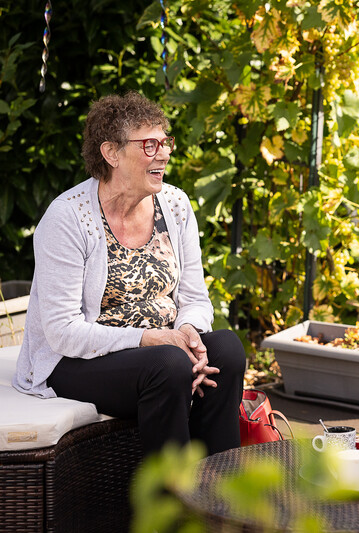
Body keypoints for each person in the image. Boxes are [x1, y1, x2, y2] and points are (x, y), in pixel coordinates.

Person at [13, 92, 245, 457]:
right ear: (111, 153)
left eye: (165, 141)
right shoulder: (68, 218)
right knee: (168, 367)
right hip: (77, 360)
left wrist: (188, 335)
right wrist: (150, 339)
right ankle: (172, 502)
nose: (164, 154)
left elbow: (195, 297)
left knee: (226, 351)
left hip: (162, 348)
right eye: (149, 145)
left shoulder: (175, 204)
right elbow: (61, 332)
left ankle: (220, 495)